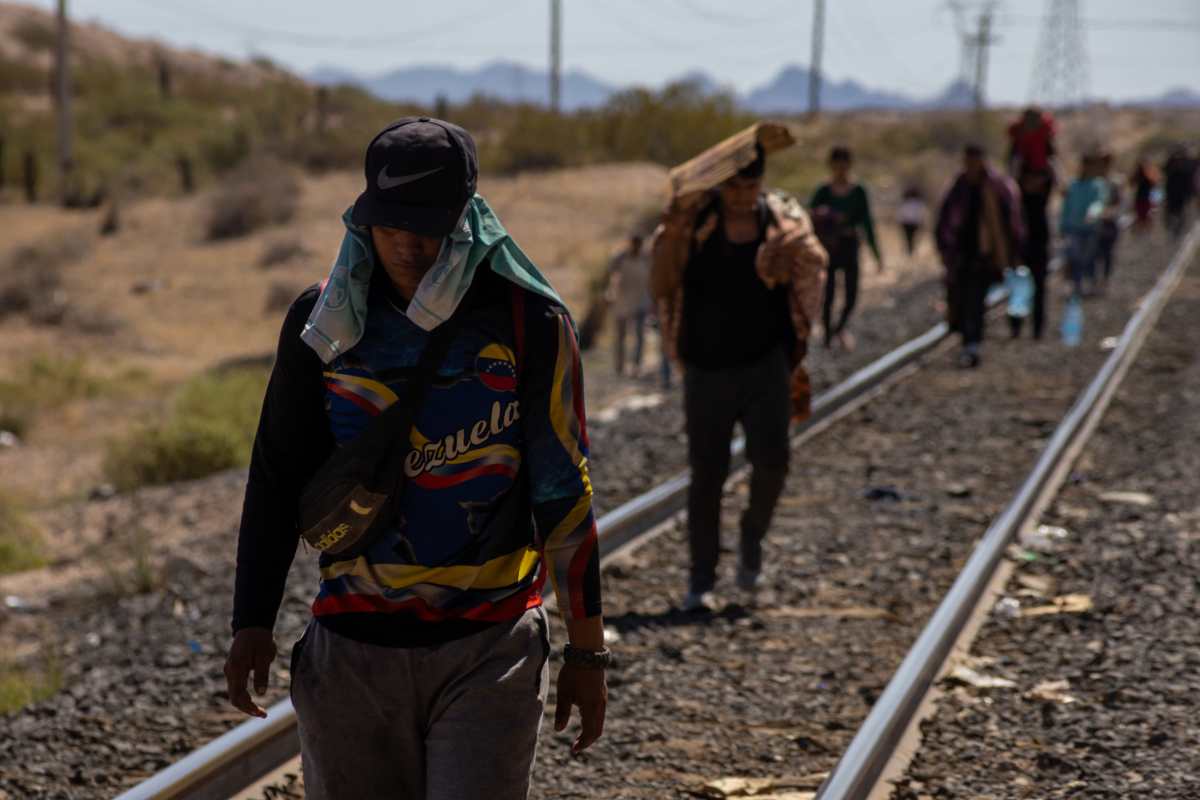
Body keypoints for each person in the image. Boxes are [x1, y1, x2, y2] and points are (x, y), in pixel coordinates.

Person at [224, 118, 608, 800]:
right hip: (352, 654)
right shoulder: (325, 323)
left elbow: (561, 486)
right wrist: (251, 621)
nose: (408, 240)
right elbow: (278, 473)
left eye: (427, 223)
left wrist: (586, 649)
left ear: (465, 218)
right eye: (391, 221)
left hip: (488, 650)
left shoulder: (528, 323)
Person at [652, 140, 827, 611]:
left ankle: (751, 538)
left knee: (773, 462)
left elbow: (816, 266)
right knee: (706, 475)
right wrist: (670, 228)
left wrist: (788, 258)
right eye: (734, 186)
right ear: (721, 184)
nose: (742, 196)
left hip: (764, 366)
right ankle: (701, 580)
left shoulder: (781, 225)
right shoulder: (694, 225)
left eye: (750, 186)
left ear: (761, 184)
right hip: (706, 369)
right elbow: (662, 281)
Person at [935, 144, 1023, 368]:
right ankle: (968, 340)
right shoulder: (957, 188)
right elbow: (944, 222)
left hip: (985, 256)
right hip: (960, 256)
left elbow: (1011, 223)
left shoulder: (997, 187)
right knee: (960, 300)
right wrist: (945, 251)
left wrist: (1011, 251)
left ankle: (972, 345)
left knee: (975, 300)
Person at [809, 146, 883, 351]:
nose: (840, 169)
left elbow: (867, 223)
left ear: (849, 166)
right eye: (836, 165)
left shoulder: (858, 192)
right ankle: (827, 337)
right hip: (829, 249)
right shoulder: (823, 191)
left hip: (850, 248)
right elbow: (809, 218)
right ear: (831, 166)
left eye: (844, 165)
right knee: (829, 295)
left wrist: (877, 254)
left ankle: (838, 328)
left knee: (851, 296)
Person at [1007, 106, 1057, 339]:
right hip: (1020, 227)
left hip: (1037, 227)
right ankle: (1017, 324)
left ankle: (1037, 327)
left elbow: (1054, 176)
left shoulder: (1045, 145)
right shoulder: (1017, 144)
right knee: (1017, 277)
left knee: (1038, 281)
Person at [1059, 153, 1109, 297]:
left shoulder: (1098, 185)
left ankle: (1090, 283)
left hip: (1090, 228)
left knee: (1089, 257)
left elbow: (1099, 203)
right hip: (1073, 228)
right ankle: (1077, 285)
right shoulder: (1073, 185)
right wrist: (1062, 226)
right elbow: (1066, 207)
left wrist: (1093, 213)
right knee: (1075, 257)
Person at [606, 232, 652, 377]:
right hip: (621, 302)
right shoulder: (619, 258)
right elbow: (611, 278)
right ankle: (619, 367)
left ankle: (636, 366)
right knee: (620, 337)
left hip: (640, 302)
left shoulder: (646, 258)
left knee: (639, 337)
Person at [1095, 151, 1123, 291]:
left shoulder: (1114, 182)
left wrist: (1107, 213)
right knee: (1095, 252)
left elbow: (1118, 203)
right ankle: (1096, 279)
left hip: (1109, 222)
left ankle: (1104, 279)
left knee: (1107, 253)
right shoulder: (1094, 181)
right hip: (1095, 222)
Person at [1162, 146, 1196, 239]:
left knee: (1178, 211)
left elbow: (1190, 178)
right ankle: (1173, 226)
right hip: (1173, 192)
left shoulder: (1187, 164)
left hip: (1179, 193)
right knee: (1173, 210)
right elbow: (1164, 170)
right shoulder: (1174, 163)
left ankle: (1177, 228)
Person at [896, 186, 927, 257]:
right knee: (909, 237)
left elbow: (920, 213)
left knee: (910, 237)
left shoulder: (914, 202)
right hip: (909, 223)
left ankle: (910, 249)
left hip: (910, 223)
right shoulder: (911, 202)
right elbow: (901, 212)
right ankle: (910, 249)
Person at [1129, 159, 1158, 232]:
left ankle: (1144, 230)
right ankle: (1139, 230)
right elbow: (1131, 182)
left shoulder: (1149, 176)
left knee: (1144, 217)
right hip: (1140, 199)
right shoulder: (1139, 176)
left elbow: (1154, 185)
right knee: (1140, 217)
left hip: (1146, 200)